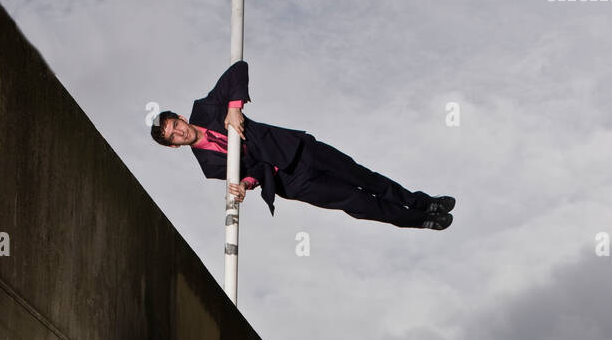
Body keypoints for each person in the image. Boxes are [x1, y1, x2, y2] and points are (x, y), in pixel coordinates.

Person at [151, 60, 456, 230]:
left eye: (175, 125)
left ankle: (423, 202)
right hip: (293, 182)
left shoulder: (205, 109)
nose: (179, 132)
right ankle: (420, 220)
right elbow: (254, 169)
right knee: (357, 203)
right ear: (173, 146)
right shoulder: (208, 166)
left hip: (300, 150)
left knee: (366, 178)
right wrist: (244, 183)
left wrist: (233, 107)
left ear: (180, 117)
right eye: (172, 136)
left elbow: (238, 69)